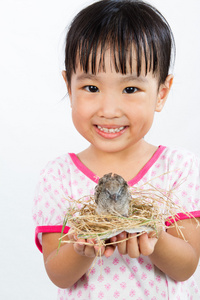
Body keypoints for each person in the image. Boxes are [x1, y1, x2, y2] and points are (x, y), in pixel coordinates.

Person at [33, 0, 200, 299]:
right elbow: (58, 274)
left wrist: (154, 236)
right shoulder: (58, 176)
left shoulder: (179, 169)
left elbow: (186, 266)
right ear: (69, 88)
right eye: (92, 88)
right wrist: (84, 245)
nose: (109, 110)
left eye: (130, 89)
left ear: (161, 93)